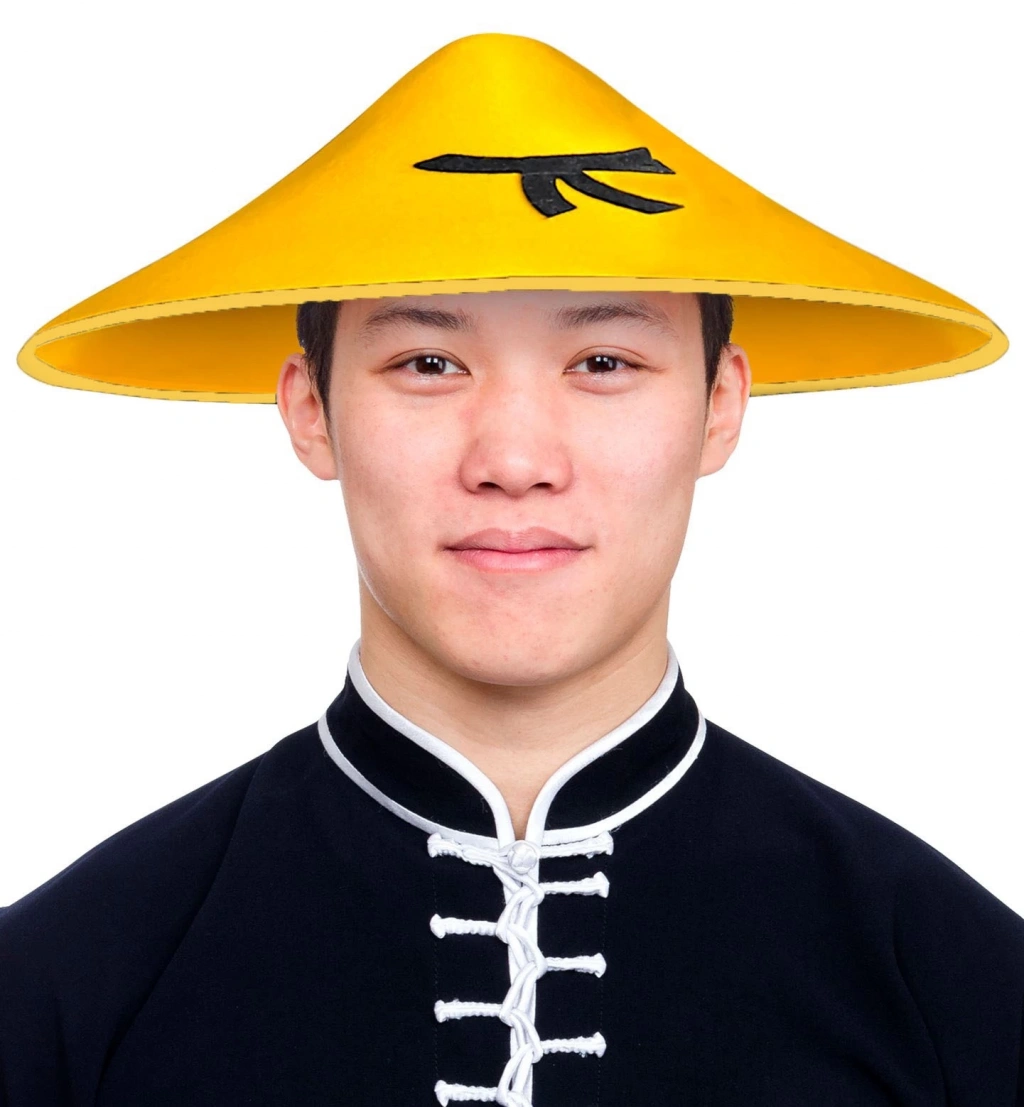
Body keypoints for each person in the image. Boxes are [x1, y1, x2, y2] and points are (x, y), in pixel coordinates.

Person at [4, 31, 1022, 1107]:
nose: (516, 459)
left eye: (603, 362)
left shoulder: (955, 988)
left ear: (720, 405)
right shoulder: (62, 990)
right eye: (428, 362)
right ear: (311, 411)